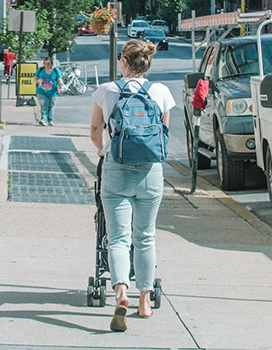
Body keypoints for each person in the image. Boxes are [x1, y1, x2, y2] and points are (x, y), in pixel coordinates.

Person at [89, 39, 175, 332]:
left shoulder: (108, 90)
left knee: (119, 239)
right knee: (146, 236)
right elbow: (163, 133)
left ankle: (121, 293)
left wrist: (103, 150)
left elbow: (95, 130)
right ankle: (145, 301)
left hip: (116, 169)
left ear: (123, 62)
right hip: (150, 173)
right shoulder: (161, 92)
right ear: (147, 64)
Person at [33, 57, 64, 126]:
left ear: (51, 64)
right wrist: (38, 82)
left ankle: (50, 120)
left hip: (52, 92)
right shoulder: (40, 70)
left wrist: (59, 87)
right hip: (41, 91)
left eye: (49, 64)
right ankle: (43, 119)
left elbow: (60, 80)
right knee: (44, 105)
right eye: (46, 64)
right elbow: (35, 78)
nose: (47, 65)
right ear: (44, 64)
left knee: (51, 106)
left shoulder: (55, 71)